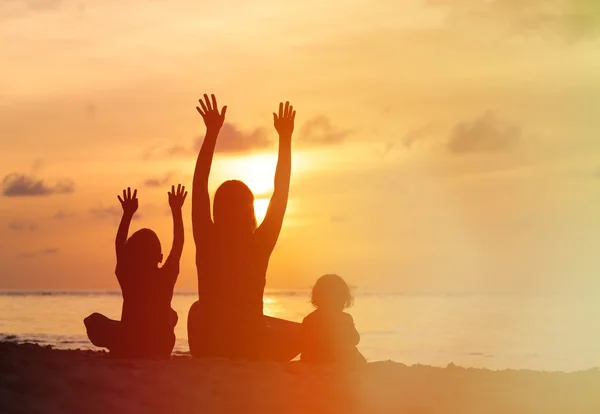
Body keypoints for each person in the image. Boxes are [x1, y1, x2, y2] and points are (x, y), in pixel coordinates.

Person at [187, 94, 300, 361]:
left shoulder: (206, 239)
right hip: (253, 347)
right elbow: (281, 193)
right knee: (303, 333)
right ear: (250, 212)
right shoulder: (259, 244)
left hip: (210, 345)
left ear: (218, 210)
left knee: (195, 309)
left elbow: (199, 185)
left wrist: (212, 133)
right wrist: (285, 138)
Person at [84, 185, 187, 358]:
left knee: (93, 320)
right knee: (171, 315)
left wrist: (127, 214)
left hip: (131, 343)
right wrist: (176, 211)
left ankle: (119, 347)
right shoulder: (166, 277)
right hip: (162, 345)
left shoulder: (129, 277)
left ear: (131, 255)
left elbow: (118, 245)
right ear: (160, 257)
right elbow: (178, 244)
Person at [300, 274, 367, 365]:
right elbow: (355, 339)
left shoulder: (309, 319)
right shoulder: (344, 318)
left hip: (314, 362)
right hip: (336, 363)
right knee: (351, 352)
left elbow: (303, 343)